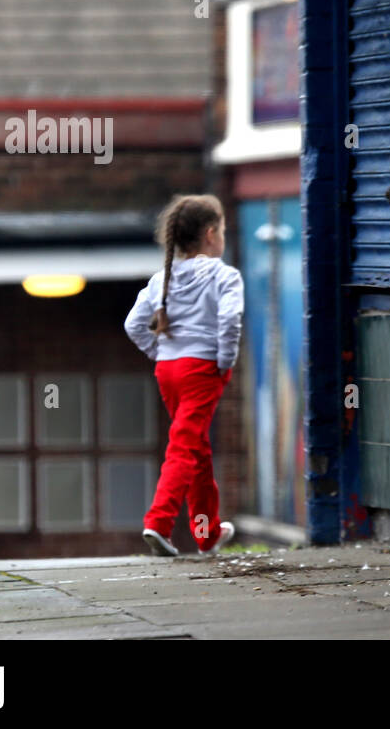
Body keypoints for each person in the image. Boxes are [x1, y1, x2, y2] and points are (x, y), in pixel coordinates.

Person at [124, 194, 243, 557]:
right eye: (221, 229)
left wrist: (159, 353)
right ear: (211, 234)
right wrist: (224, 361)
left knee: (196, 448)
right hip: (202, 370)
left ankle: (206, 533)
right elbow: (230, 320)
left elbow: (133, 324)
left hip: (169, 371)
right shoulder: (225, 276)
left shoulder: (163, 278)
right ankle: (158, 523)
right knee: (184, 448)